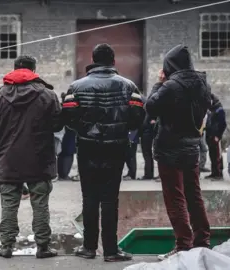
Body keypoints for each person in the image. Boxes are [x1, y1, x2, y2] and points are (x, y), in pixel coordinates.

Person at [62, 44, 144, 262]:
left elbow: (68, 118)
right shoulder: (129, 86)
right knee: (110, 200)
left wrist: (84, 130)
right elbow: (138, 117)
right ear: (113, 61)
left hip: (87, 148)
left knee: (89, 198)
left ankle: (88, 248)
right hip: (116, 148)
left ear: (93, 60)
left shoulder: (76, 87)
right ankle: (110, 250)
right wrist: (122, 130)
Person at [0, 55, 62, 259]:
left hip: (8, 160)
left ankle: (7, 246)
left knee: (9, 204)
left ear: (15, 69)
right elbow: (57, 125)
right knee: (40, 204)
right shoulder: (47, 95)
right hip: (39, 160)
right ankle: (43, 247)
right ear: (33, 70)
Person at [145, 44, 212, 260]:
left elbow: (151, 107)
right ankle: (202, 242)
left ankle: (183, 245)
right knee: (194, 195)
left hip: (170, 150)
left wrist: (158, 83)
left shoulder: (171, 85)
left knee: (175, 198)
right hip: (192, 147)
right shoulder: (202, 83)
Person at [205, 93, 227, 180]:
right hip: (210, 136)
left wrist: (218, 135)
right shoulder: (211, 110)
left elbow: (223, 124)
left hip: (216, 137)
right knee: (212, 155)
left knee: (217, 155)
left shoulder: (219, 109)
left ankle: (218, 173)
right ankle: (214, 173)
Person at [139, 115, 158, 180]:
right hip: (147, 132)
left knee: (146, 153)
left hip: (146, 132)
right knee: (147, 154)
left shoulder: (149, 111)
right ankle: (148, 173)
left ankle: (148, 174)